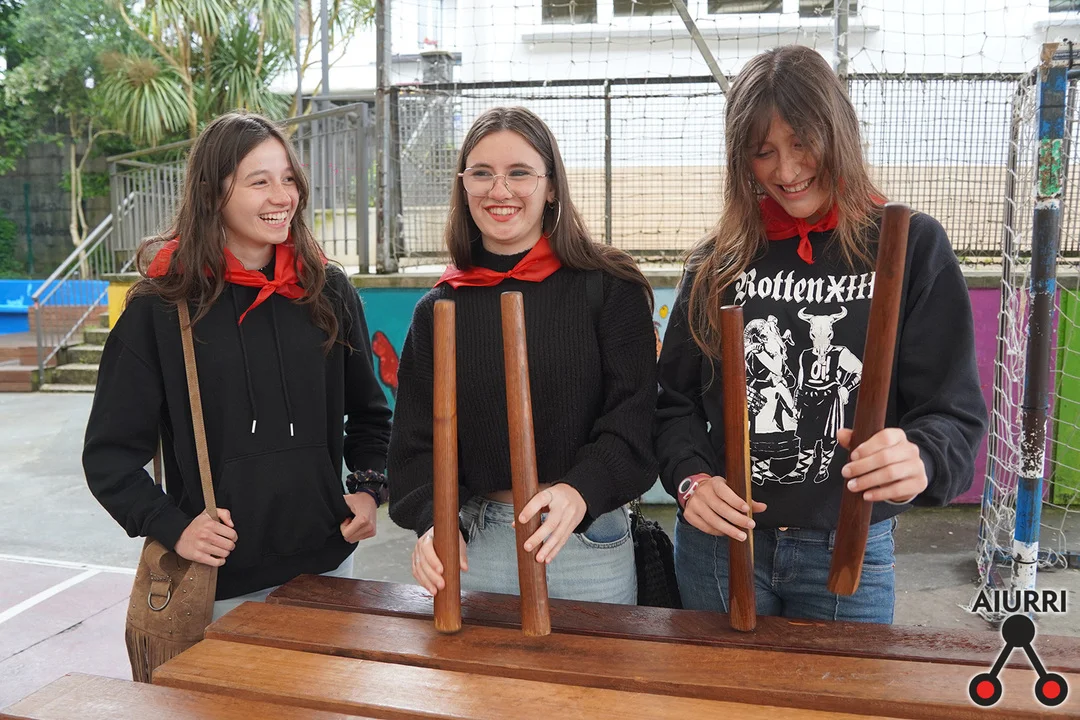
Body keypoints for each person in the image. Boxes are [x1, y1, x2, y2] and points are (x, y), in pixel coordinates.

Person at [654, 45, 989, 623]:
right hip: (721, 547)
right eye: (763, 152)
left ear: (839, 132)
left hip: (848, 548)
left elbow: (952, 412)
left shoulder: (908, 245)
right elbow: (671, 403)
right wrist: (691, 481)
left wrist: (922, 458)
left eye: (803, 142)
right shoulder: (717, 261)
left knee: (843, 683)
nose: (786, 172)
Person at [83, 113, 392, 620]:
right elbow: (109, 457)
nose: (282, 196)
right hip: (220, 584)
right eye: (259, 182)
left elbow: (370, 414)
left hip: (330, 566)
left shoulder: (327, 290)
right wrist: (172, 526)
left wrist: (368, 489)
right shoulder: (161, 308)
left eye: (289, 178)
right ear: (212, 194)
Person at [388, 106, 657, 604]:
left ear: (551, 187)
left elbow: (634, 419)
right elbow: (414, 443)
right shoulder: (440, 308)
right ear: (463, 185)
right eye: (481, 173)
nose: (500, 190)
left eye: (519, 173)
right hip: (474, 544)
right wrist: (433, 522)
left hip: (585, 539)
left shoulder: (608, 289)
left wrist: (581, 490)